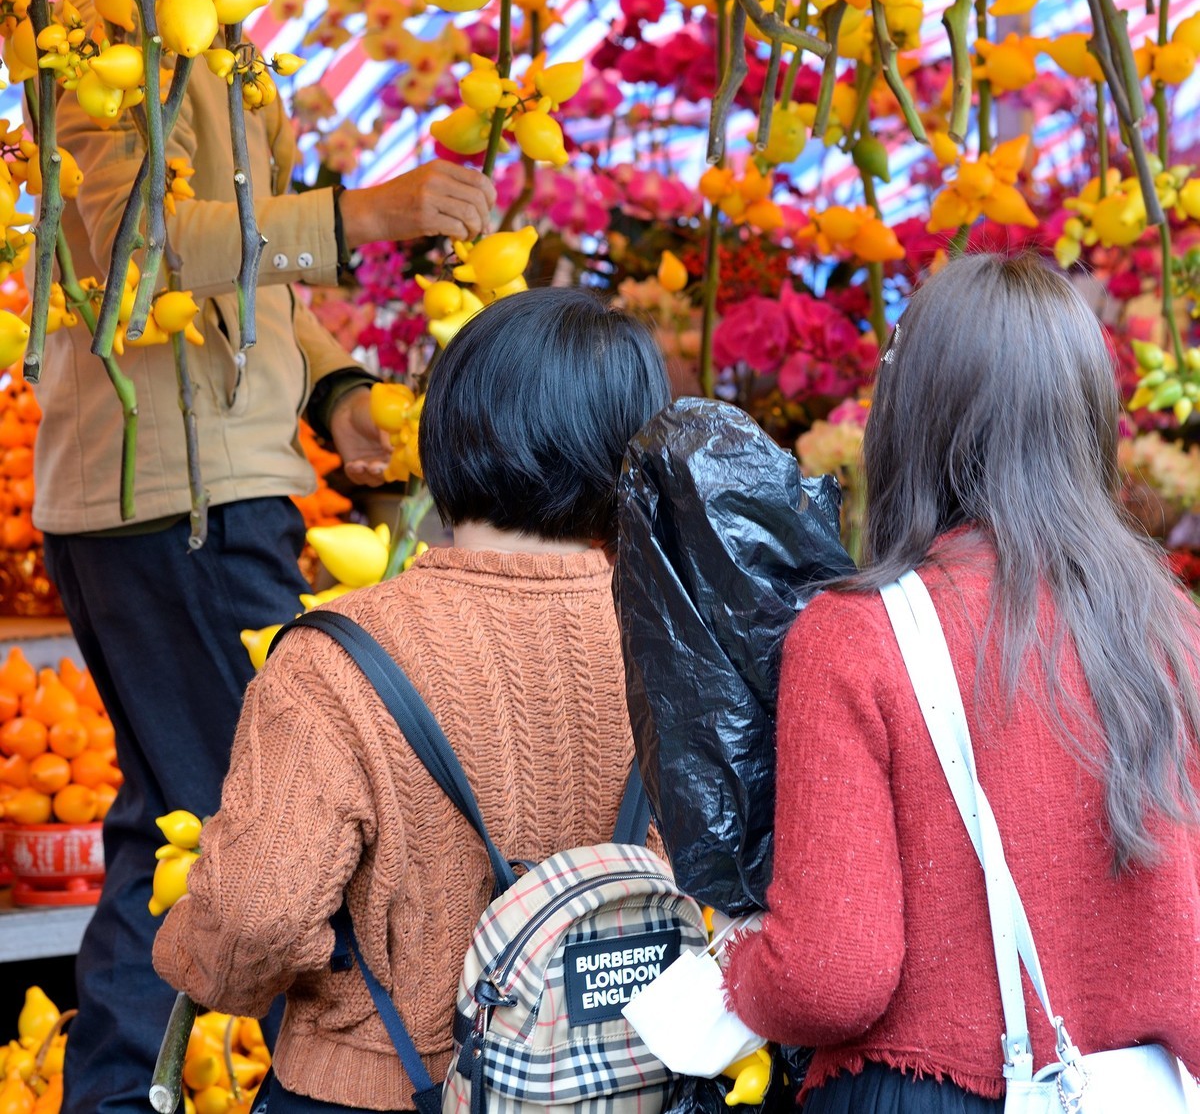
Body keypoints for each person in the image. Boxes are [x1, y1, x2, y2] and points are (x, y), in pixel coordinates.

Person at [35, 0, 496, 1114]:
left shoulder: (217, 40)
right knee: (267, 829)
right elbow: (146, 245)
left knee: (173, 824)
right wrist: (368, 215)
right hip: (168, 496)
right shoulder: (108, 29)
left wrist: (338, 388)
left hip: (203, 480)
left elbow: (243, 282)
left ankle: (119, 1089)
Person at [153, 287, 671, 1113]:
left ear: (447, 432)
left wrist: (199, 966)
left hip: (380, 1090)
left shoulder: (338, 657)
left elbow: (254, 914)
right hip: (611, 1088)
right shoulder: (674, 649)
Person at [723, 252, 1200, 1111]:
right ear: (1088, 417)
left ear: (912, 419)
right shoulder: (1175, 630)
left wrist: (736, 971)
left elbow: (833, 974)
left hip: (923, 1090)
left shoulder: (856, 636)